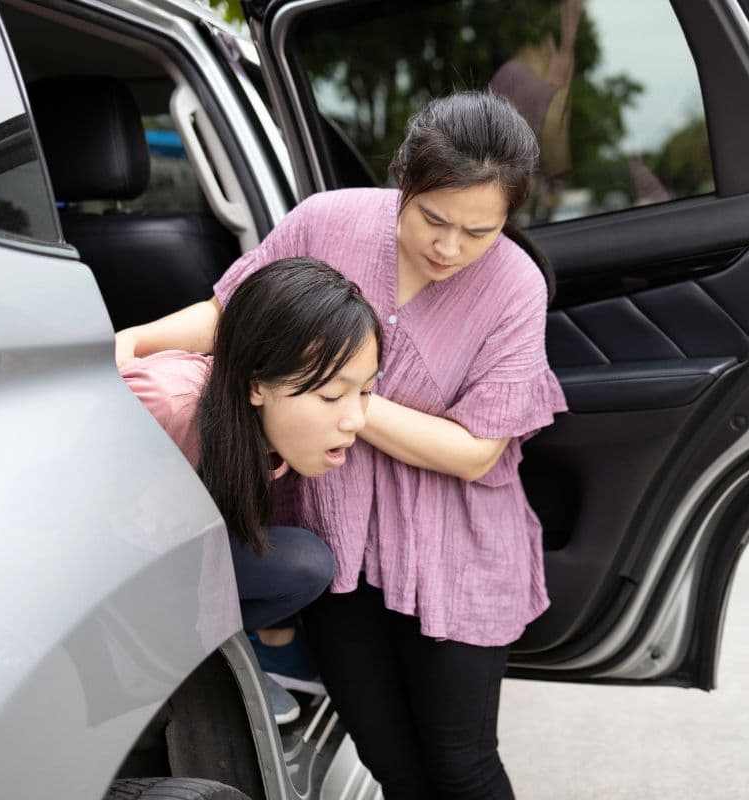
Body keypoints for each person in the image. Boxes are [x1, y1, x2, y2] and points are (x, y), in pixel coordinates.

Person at [115, 91, 567, 798]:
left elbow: (477, 451)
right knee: (391, 763)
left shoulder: (515, 286)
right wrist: (125, 345)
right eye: (432, 218)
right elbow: (232, 317)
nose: (449, 248)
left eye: (479, 231)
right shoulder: (327, 221)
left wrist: (334, 393)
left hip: (456, 548)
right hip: (335, 526)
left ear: (509, 218)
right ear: (403, 182)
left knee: (463, 766)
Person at [120, 256, 382, 724]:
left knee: (306, 563)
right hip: (99, 570)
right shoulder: (165, 402)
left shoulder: (266, 436)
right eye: (329, 396)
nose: (356, 420)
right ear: (257, 384)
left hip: (163, 555)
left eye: (364, 392)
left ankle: (212, 655)